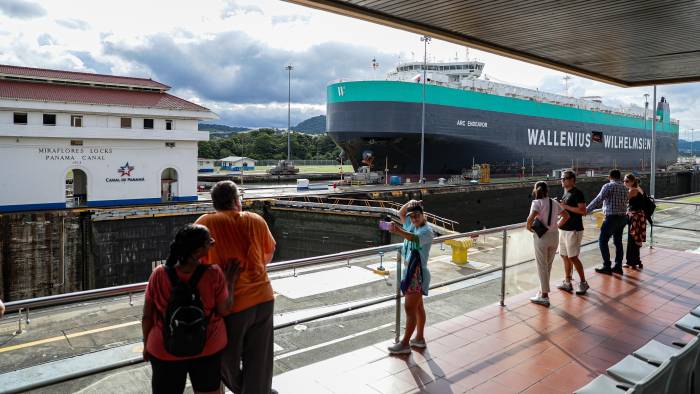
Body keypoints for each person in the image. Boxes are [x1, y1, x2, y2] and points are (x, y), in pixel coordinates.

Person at [195, 181, 277, 394]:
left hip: (232, 305)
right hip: (264, 298)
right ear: (235, 201)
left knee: (224, 357)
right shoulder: (256, 220)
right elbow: (269, 252)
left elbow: (194, 262)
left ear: (215, 203)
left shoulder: (206, 223)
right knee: (260, 359)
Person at [142, 224, 237, 394]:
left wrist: (145, 345)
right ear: (198, 251)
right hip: (208, 347)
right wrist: (230, 281)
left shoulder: (158, 274)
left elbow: (147, 316)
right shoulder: (213, 274)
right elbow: (224, 310)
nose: (213, 244)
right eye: (209, 242)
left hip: (164, 349)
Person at [387, 200, 434, 354]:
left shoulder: (426, 231)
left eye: (416, 216)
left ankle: (405, 343)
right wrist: (410, 203)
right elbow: (401, 213)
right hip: (410, 271)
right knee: (418, 307)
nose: (413, 219)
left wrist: (397, 231)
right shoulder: (412, 225)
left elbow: (414, 238)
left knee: (409, 309)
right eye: (412, 216)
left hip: (417, 274)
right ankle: (419, 338)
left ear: (422, 215)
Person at [526, 182, 569, 307]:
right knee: (548, 265)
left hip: (542, 237)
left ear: (536, 190)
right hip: (554, 236)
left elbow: (531, 217)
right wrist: (556, 226)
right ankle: (542, 291)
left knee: (541, 266)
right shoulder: (554, 202)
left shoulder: (536, 203)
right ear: (547, 190)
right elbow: (566, 216)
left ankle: (544, 296)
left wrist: (529, 227)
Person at [587, 169, 629, 275]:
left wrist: (587, 210)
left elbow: (598, 199)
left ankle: (607, 266)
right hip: (623, 218)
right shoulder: (625, 188)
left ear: (610, 177)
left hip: (611, 218)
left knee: (602, 241)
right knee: (618, 242)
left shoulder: (608, 186)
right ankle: (618, 266)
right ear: (619, 177)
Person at [556, 170, 589, 295]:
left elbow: (583, 211)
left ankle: (583, 282)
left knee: (573, 257)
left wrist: (565, 207)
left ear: (572, 180)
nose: (562, 180)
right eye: (562, 178)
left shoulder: (577, 193)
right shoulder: (566, 193)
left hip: (573, 230)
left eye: (564, 178)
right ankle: (567, 282)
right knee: (564, 255)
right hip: (564, 229)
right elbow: (565, 211)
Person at [624, 174, 646, 269]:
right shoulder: (638, 188)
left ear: (632, 181)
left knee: (632, 239)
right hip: (639, 217)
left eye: (626, 181)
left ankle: (631, 262)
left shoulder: (633, 190)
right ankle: (636, 260)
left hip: (635, 217)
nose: (624, 183)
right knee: (636, 238)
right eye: (624, 181)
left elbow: (624, 200)